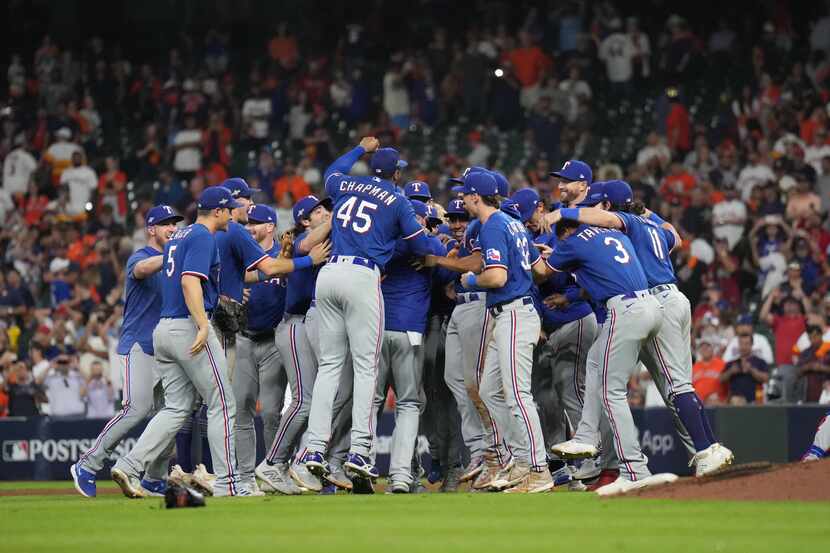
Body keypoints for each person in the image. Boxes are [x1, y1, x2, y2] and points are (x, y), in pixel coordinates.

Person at [549, 180, 733, 477]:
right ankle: (707, 451)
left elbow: (608, 220)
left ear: (608, 205)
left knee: (674, 386)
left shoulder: (622, 227)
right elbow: (676, 237)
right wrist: (646, 210)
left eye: (595, 205)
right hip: (674, 298)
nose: (590, 212)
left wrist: (565, 215)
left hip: (655, 301)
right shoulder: (651, 226)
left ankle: (705, 449)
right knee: (662, 379)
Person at [299, 137, 432, 489]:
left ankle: (314, 448)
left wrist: (359, 148)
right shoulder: (398, 199)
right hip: (361, 276)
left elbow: (331, 171)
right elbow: (420, 243)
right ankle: (359, 450)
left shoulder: (346, 183)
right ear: (396, 174)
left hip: (328, 275)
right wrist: (437, 244)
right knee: (366, 366)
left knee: (330, 365)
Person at [109, 187, 247, 497]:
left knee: (176, 408)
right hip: (188, 325)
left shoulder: (179, 237)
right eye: (231, 209)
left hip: (164, 330)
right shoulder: (201, 236)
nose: (234, 213)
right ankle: (228, 483)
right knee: (222, 402)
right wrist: (202, 324)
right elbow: (189, 281)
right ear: (218, 212)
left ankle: (130, 464)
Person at [535, 208, 678, 496]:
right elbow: (597, 271)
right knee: (594, 362)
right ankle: (586, 435)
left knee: (611, 392)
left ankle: (635, 468)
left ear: (565, 231)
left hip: (624, 310)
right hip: (650, 305)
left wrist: (531, 252)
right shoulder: (612, 235)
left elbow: (540, 273)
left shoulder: (572, 241)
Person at [71, 205, 181, 498]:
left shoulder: (172, 261)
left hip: (164, 348)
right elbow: (142, 270)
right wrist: (175, 253)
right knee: (136, 409)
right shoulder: (141, 256)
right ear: (151, 229)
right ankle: (87, 463)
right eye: (166, 224)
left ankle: (155, 478)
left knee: (170, 414)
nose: (172, 228)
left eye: (175, 224)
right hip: (138, 344)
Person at [455, 170, 553, 493]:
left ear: (474, 197)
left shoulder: (494, 225)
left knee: (517, 395)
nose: (463, 200)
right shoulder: (513, 223)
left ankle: (538, 469)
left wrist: (471, 280)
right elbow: (540, 270)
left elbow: (495, 278)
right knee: (489, 391)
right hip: (513, 311)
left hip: (514, 313)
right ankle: (521, 460)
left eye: (466, 195)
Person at [257, 195, 335, 495]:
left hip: (311, 323)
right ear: (304, 220)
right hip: (294, 324)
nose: (325, 213)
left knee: (318, 400)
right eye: (317, 211)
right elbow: (302, 246)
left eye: (326, 208)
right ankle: (273, 463)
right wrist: (332, 219)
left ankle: (299, 465)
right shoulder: (305, 238)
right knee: (304, 400)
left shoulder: (325, 237)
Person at [371, 199, 445, 493]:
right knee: (409, 403)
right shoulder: (429, 245)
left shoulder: (382, 243)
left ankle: (360, 466)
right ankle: (401, 476)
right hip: (410, 332)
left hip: (376, 331)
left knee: (371, 401)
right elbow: (446, 272)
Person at [231, 204, 288, 495]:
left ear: (270, 227)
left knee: (271, 412)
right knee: (241, 408)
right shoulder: (239, 255)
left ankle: (274, 469)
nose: (249, 226)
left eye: (255, 222)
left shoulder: (284, 254)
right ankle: (244, 476)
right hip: (242, 339)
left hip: (273, 341)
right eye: (248, 222)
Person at [720, 334, 769, 404]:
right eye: (741, 344)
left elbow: (766, 379)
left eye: (746, 344)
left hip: (755, 401)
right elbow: (721, 379)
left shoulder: (760, 362)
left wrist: (751, 370)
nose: (743, 347)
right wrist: (731, 371)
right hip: (735, 401)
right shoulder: (732, 363)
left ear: (751, 345)